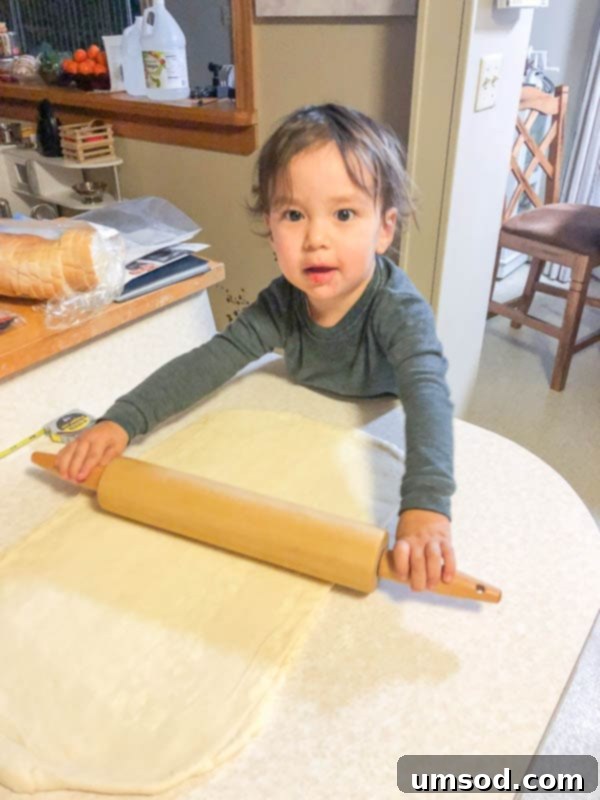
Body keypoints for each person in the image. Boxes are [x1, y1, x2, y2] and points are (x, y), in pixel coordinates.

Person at [56, 103, 456, 592]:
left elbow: (428, 398)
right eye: (293, 214)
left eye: (344, 214)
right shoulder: (283, 302)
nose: (316, 239)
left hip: (382, 428)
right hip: (304, 429)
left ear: (385, 228)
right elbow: (213, 359)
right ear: (270, 227)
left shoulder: (399, 311)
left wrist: (426, 505)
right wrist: (124, 419)